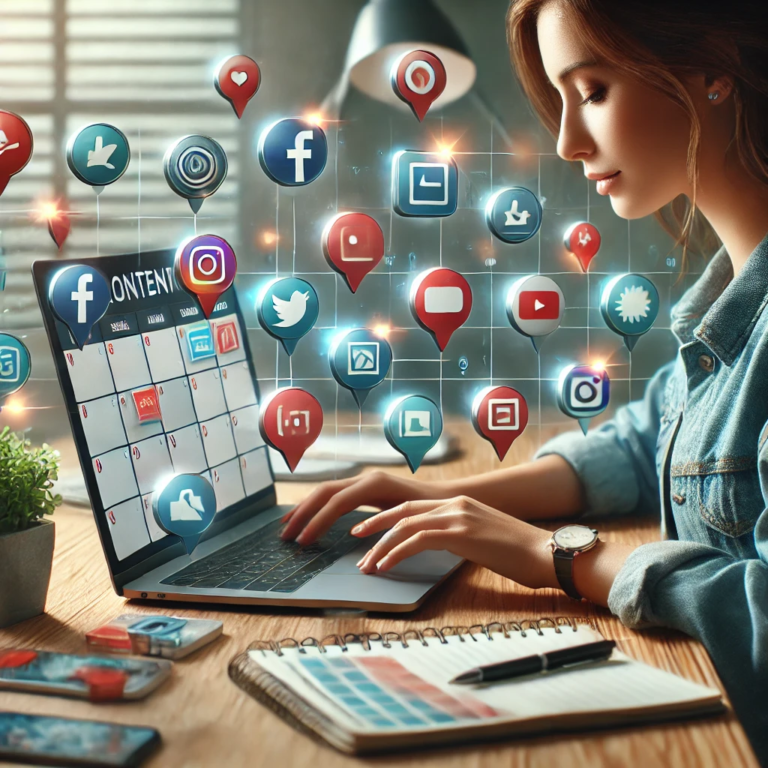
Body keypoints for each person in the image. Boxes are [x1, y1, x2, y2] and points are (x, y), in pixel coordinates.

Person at [282, 0, 768, 759]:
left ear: (712, 71)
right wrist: (445, 499)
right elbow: (650, 444)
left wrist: (559, 559)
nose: (569, 141)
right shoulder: (725, 301)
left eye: (593, 91)